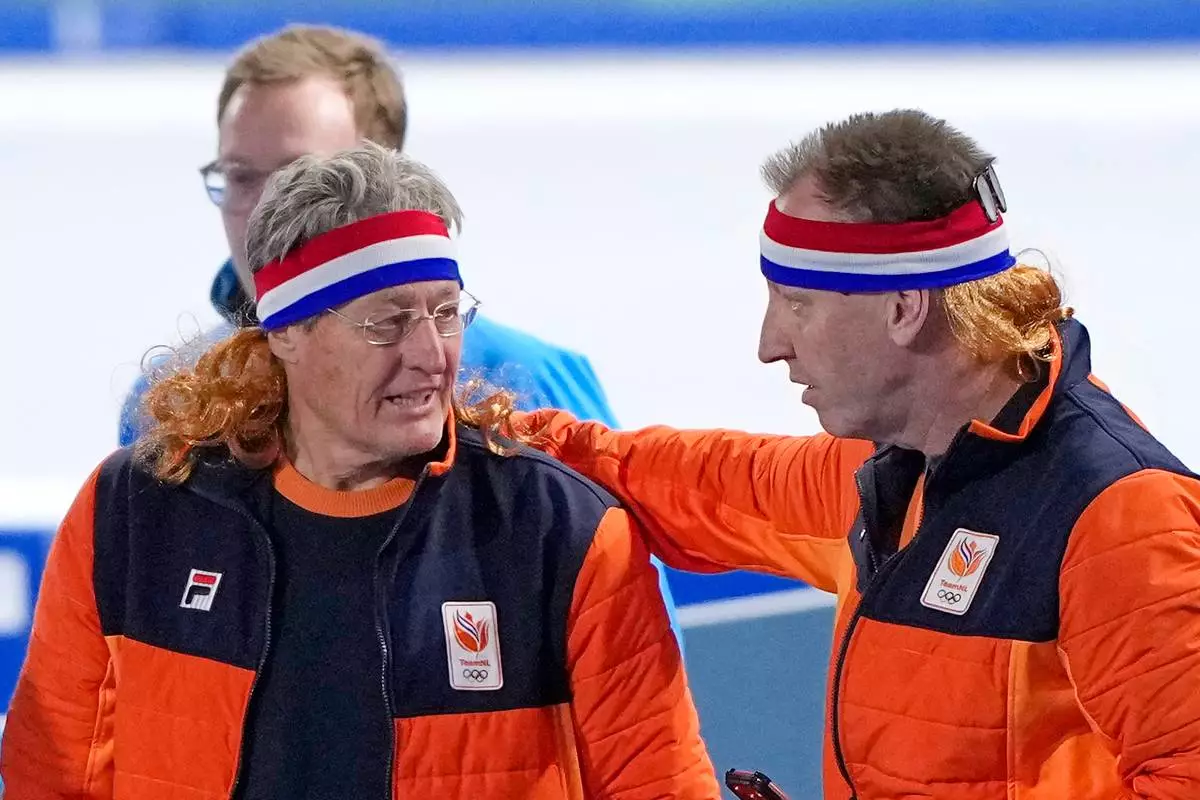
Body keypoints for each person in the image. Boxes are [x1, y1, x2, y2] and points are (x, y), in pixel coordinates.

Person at [515, 110, 1200, 799]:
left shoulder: (1120, 515)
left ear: (903, 307)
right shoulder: (891, 472)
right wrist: (487, 436)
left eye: (798, 302)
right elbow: (682, 482)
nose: (770, 342)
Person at [0, 143, 718, 799]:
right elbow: (50, 779)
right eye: (387, 322)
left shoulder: (558, 532)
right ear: (286, 330)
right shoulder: (138, 509)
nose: (432, 354)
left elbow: (659, 785)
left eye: (446, 314)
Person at [116, 24, 683, 645]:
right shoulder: (171, 398)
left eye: (301, 179)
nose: (263, 216)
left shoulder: (525, 380)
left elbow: (634, 643)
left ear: (381, 179)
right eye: (241, 177)